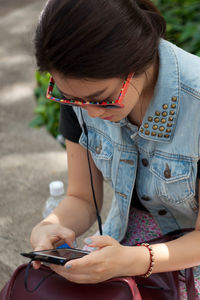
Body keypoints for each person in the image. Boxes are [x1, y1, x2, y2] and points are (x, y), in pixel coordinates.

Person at [30, 0, 200, 298]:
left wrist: (134, 261)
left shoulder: (195, 104)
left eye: (102, 98)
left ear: (135, 62)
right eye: (72, 98)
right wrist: (49, 226)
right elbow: (81, 197)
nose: (91, 113)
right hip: (122, 243)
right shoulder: (82, 95)